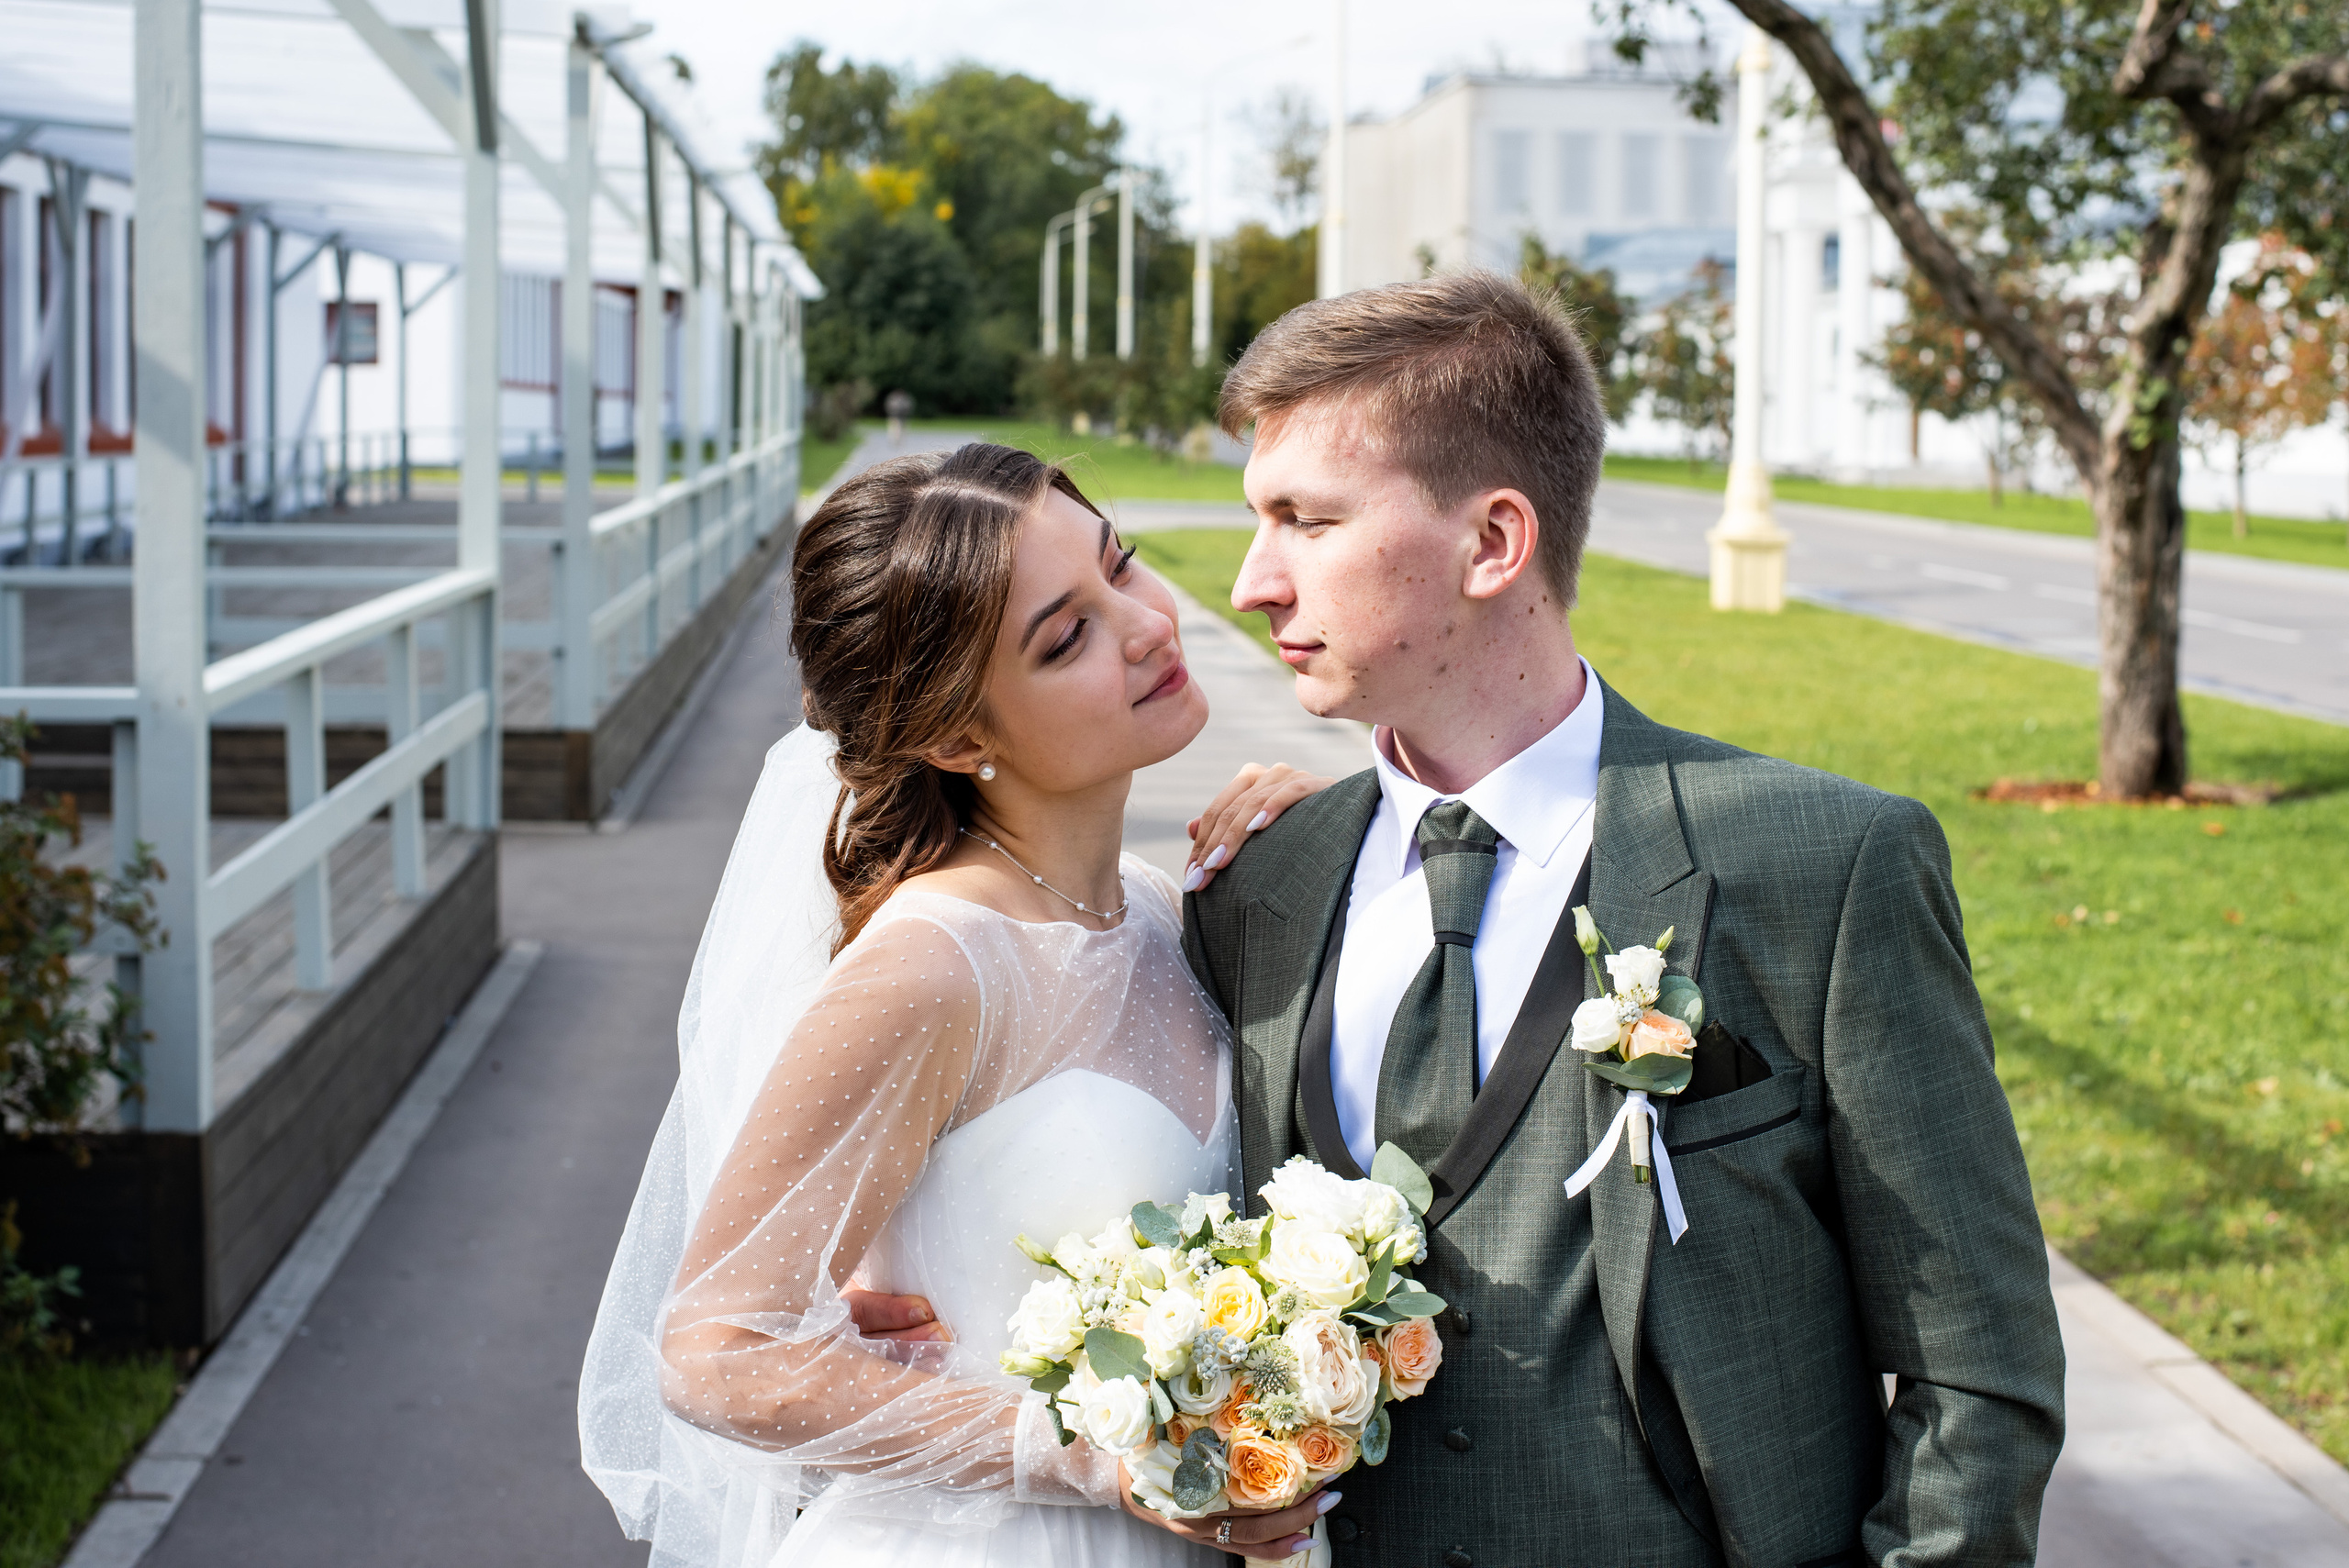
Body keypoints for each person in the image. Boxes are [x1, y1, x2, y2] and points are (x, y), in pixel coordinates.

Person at [1168, 272, 2066, 1565]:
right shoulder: (1262, 885)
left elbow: (1975, 1370)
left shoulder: (1824, 865)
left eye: (1306, 520)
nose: (1256, 581)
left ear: (1493, 544)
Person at [578, 443, 1330, 1565]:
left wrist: (1345, 826)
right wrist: (1092, 1452)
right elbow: (714, 1348)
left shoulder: (1157, 910)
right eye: (1065, 634)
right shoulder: (934, 965)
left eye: (1120, 565)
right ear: (958, 736)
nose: (1145, 624)